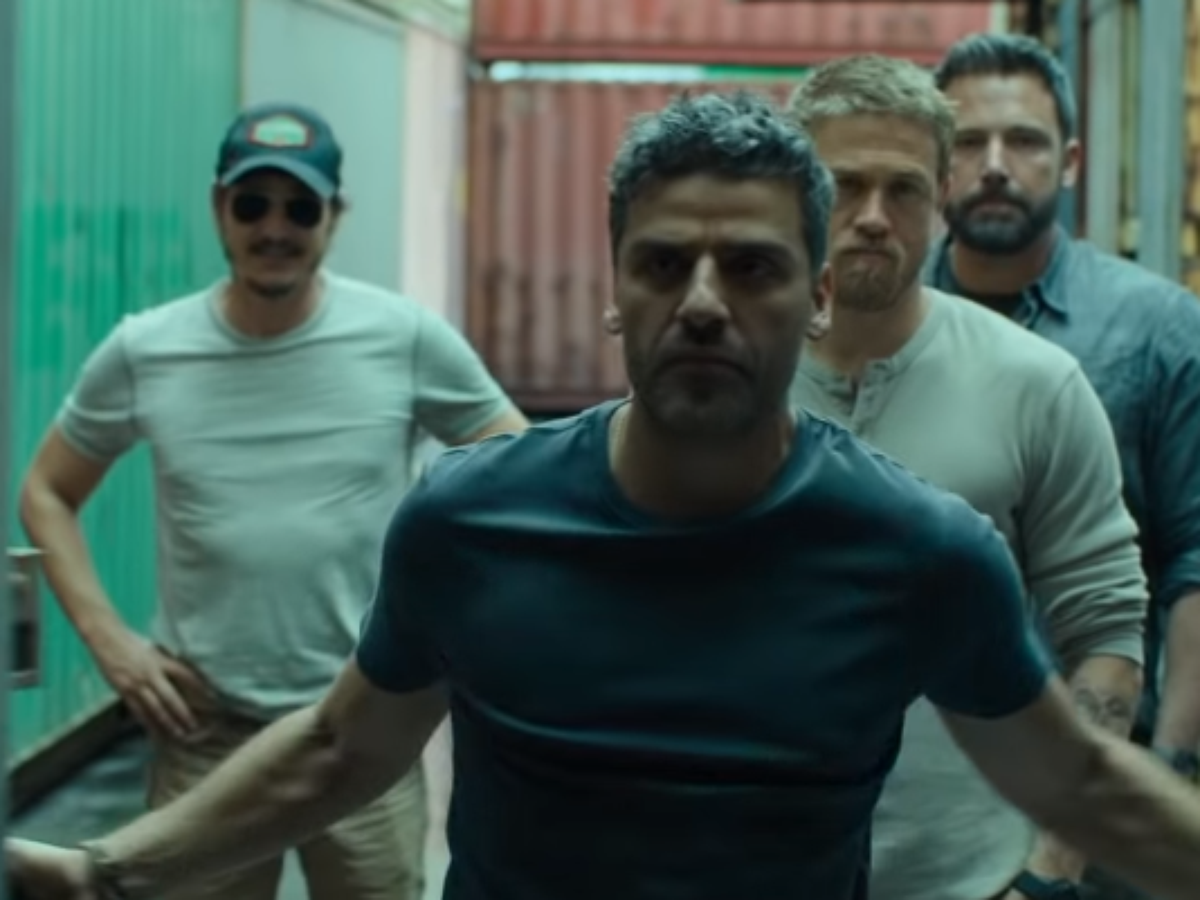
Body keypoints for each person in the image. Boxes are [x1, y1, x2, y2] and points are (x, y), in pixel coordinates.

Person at [8, 90, 1200, 900]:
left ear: (819, 298)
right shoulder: (470, 524)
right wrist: (106, 872)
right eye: (664, 263)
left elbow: (1081, 783)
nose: (703, 301)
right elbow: (336, 751)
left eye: (752, 266)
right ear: (616, 293)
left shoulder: (923, 553)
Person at [14, 101, 528, 900]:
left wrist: (448, 621)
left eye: (300, 208)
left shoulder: (403, 338)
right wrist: (112, 646)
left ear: (335, 216)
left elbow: (518, 473)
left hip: (363, 723)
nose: (275, 228)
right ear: (219, 207)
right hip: (203, 729)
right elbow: (46, 491)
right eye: (253, 204)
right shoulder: (147, 350)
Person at [785, 53, 1149, 900]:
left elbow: (1106, 638)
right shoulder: (727, 379)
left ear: (943, 192)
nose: (874, 217)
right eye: (846, 186)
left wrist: (1047, 875)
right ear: (796, 190)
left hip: (977, 880)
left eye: (905, 190)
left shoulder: (1035, 384)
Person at [927, 33, 1200, 898]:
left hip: (1100, 782)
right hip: (917, 804)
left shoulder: (1158, 330)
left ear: (1071, 161)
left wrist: (1166, 772)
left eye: (1024, 141)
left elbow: (1194, 564)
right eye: (967, 142)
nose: (993, 165)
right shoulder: (880, 325)